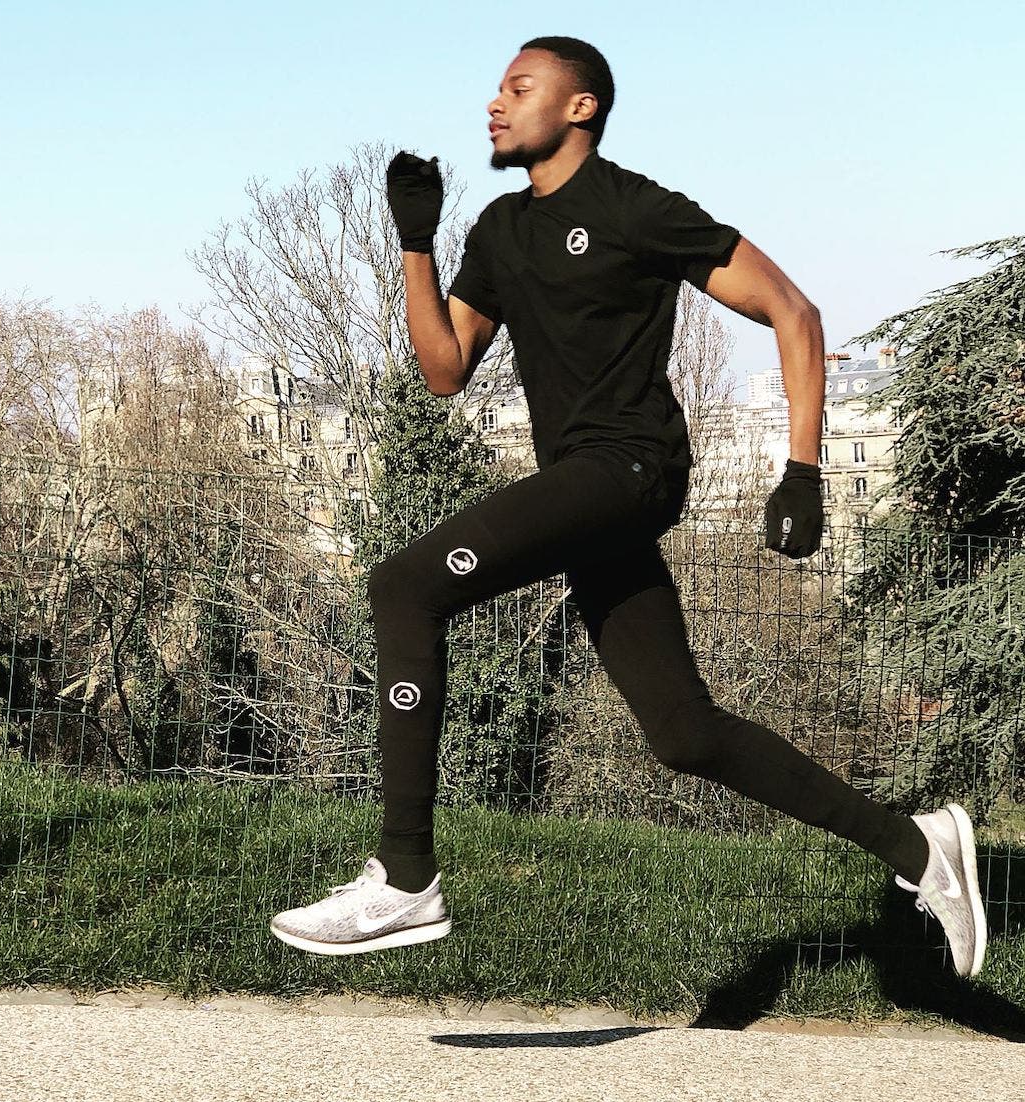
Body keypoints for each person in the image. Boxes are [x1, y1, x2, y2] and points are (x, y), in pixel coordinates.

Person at [271, 36, 987, 978]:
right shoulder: (499, 230)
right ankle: (918, 845)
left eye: (519, 87)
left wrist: (804, 468)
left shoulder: (634, 208)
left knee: (404, 587)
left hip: (631, 468)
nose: (495, 103)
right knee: (685, 734)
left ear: (581, 107)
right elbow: (445, 369)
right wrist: (414, 242)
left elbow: (794, 311)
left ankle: (405, 876)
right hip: (585, 489)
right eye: (496, 88)